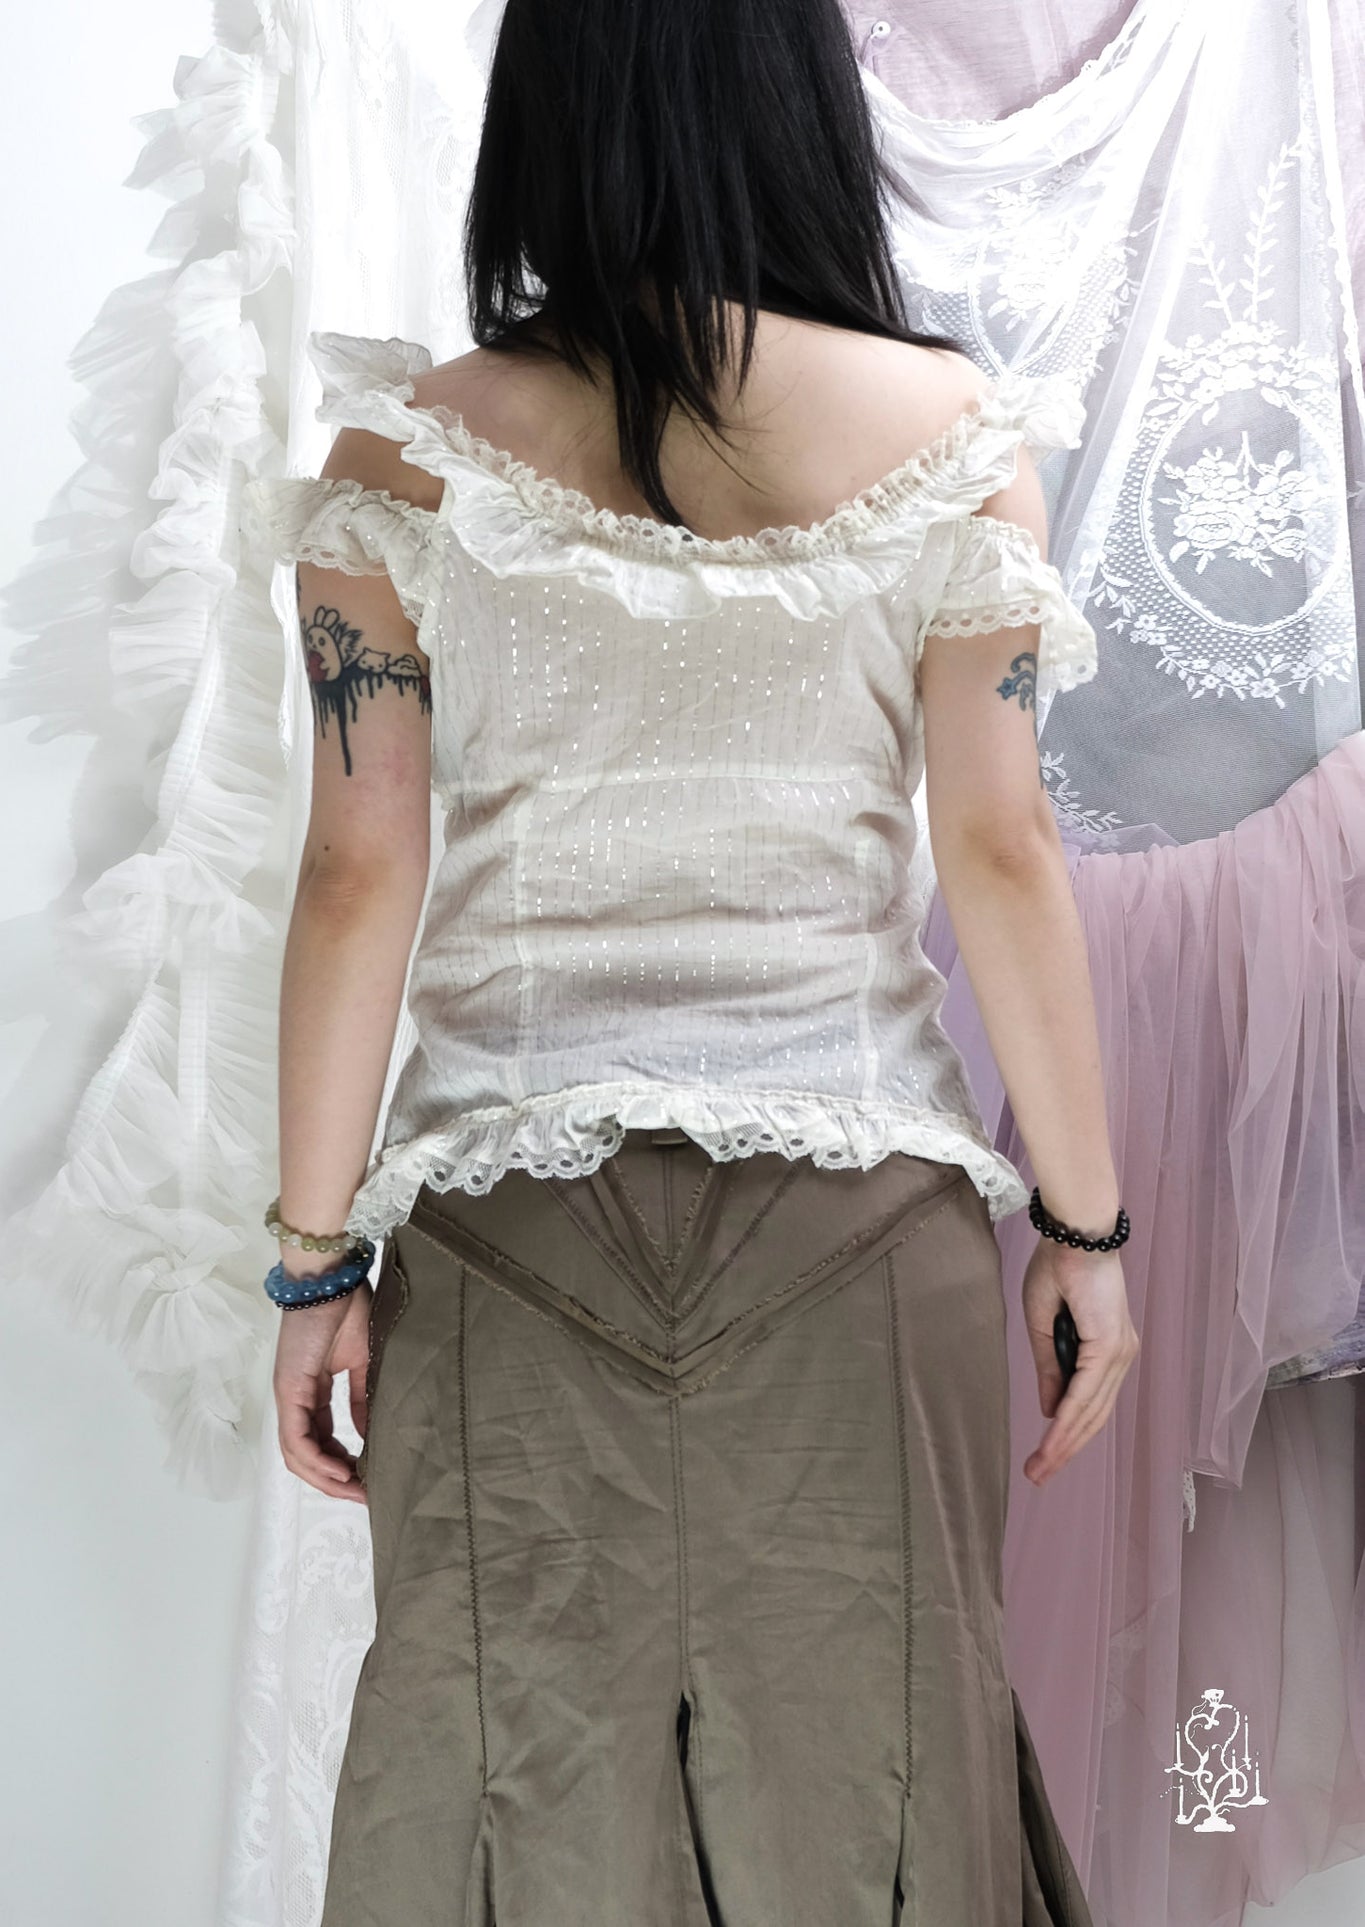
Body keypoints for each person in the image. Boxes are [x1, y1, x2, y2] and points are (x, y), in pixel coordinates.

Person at [240, 0, 1138, 1918]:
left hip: (511, 1231)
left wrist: (313, 1262)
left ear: (544, 112)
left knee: (508, 1819)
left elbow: (355, 869)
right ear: (801, 104)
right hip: (860, 1228)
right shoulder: (953, 442)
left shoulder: (404, 458)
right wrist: (1085, 1230)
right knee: (881, 1815)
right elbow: (999, 851)